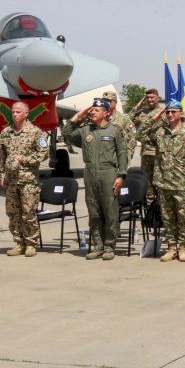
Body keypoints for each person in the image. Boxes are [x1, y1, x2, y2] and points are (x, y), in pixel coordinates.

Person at [137, 100, 185, 262]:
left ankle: (183, 248)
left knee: (183, 217)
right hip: (163, 182)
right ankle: (171, 247)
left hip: (182, 182)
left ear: (181, 114)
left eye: (174, 112)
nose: (170, 114)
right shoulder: (160, 132)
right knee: (167, 217)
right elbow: (140, 134)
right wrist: (154, 118)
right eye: (168, 112)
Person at [62, 98, 127, 260]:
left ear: (106, 113)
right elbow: (66, 133)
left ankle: (109, 247)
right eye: (91, 110)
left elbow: (122, 154)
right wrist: (80, 115)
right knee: (94, 210)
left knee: (110, 211)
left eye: (96, 110)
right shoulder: (85, 131)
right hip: (90, 173)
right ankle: (98, 246)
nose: (92, 112)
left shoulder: (114, 131)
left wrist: (121, 175)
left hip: (108, 173)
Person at [0, 101, 48, 257]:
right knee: (13, 213)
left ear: (26, 113)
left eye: (18, 112)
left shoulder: (35, 132)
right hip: (11, 181)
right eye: (13, 112)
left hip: (28, 180)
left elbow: (43, 154)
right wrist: (2, 175)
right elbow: (2, 157)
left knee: (28, 213)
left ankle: (31, 244)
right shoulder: (6, 132)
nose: (14, 114)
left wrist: (24, 160)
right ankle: (18, 243)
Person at [129, 88, 164, 205]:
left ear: (158, 98)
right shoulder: (143, 113)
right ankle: (149, 210)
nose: (149, 100)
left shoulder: (164, 112)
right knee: (147, 182)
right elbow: (129, 118)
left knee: (160, 182)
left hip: (160, 153)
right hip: (146, 153)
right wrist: (139, 104)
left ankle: (160, 210)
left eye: (152, 97)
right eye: (147, 98)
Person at [101, 91, 137, 162]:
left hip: (118, 157)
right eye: (104, 100)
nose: (107, 102)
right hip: (102, 157)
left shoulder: (124, 118)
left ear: (115, 102)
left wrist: (128, 155)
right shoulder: (99, 117)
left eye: (109, 100)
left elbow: (133, 136)